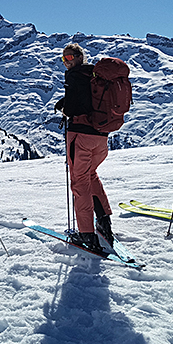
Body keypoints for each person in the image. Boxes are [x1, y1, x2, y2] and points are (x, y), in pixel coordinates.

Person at [55, 43, 115, 249]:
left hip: (81, 137)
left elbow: (74, 108)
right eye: (64, 59)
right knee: (91, 176)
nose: (66, 62)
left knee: (80, 183)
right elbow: (88, 100)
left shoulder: (74, 76)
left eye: (70, 57)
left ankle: (86, 234)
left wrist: (65, 108)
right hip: (101, 137)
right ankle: (104, 223)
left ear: (80, 57)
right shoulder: (95, 76)